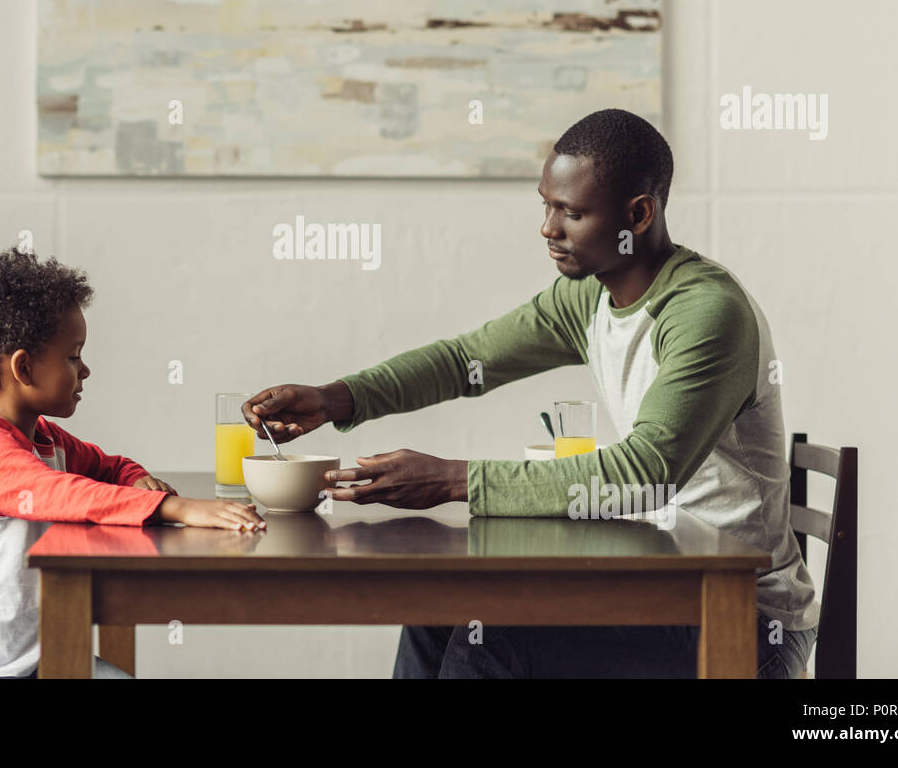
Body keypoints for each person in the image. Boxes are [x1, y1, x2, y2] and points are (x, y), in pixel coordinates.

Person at [242, 108, 819, 678]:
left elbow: (645, 473)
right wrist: (334, 398)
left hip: (742, 622)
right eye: (546, 204)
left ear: (638, 214)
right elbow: (465, 360)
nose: (548, 227)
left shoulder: (704, 312)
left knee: (492, 642)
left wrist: (449, 480)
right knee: (439, 609)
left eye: (571, 211)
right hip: (660, 585)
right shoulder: (590, 298)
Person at [0, 248, 264, 679]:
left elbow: (107, 467)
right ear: (24, 367)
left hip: (40, 657)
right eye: (73, 356)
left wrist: (138, 479)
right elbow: (58, 493)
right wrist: (178, 507)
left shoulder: (42, 436)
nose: (85, 370)